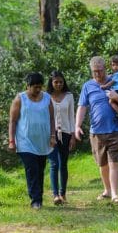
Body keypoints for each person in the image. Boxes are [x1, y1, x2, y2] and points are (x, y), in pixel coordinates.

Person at [75, 56, 118, 205]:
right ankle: (107, 190)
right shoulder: (87, 86)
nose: (98, 74)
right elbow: (82, 107)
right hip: (97, 131)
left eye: (100, 71)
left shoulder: (116, 80)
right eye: (95, 72)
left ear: (105, 68)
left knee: (114, 162)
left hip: (115, 129)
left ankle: (115, 194)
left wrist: (116, 97)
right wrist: (77, 126)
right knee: (102, 164)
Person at [8, 72, 56, 209]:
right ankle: (35, 200)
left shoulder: (47, 98)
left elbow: (52, 119)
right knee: (32, 169)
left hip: (43, 141)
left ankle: (39, 197)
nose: (38, 90)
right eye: (35, 87)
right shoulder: (20, 99)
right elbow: (12, 121)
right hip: (25, 142)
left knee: (40, 170)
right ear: (28, 86)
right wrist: (12, 141)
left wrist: (53, 136)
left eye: (40, 87)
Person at [47, 71, 76, 205]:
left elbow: (71, 116)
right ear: (51, 83)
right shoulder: (46, 97)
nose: (58, 84)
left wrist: (73, 136)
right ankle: (55, 195)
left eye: (61, 82)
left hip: (65, 133)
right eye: (56, 82)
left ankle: (63, 193)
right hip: (50, 134)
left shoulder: (69, 96)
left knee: (63, 164)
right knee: (54, 164)